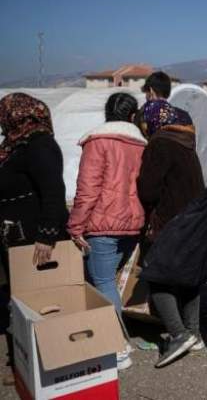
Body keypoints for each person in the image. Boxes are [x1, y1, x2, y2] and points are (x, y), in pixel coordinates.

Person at [67, 93, 146, 370]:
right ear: (132, 115)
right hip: (133, 223)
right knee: (107, 282)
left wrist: (75, 225)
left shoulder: (97, 142)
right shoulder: (141, 144)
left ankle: (117, 347)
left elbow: (87, 189)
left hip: (102, 224)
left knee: (102, 283)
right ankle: (111, 338)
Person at [0, 93, 69, 383]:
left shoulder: (39, 144)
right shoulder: (16, 145)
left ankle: (46, 361)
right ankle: (24, 360)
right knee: (18, 301)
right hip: (15, 238)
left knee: (38, 301)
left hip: (32, 240)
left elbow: (53, 191)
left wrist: (47, 235)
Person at [137, 99, 206, 368]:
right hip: (194, 220)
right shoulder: (186, 141)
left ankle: (179, 334)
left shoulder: (160, 144)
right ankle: (194, 333)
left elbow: (149, 190)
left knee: (157, 277)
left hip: (169, 222)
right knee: (189, 277)